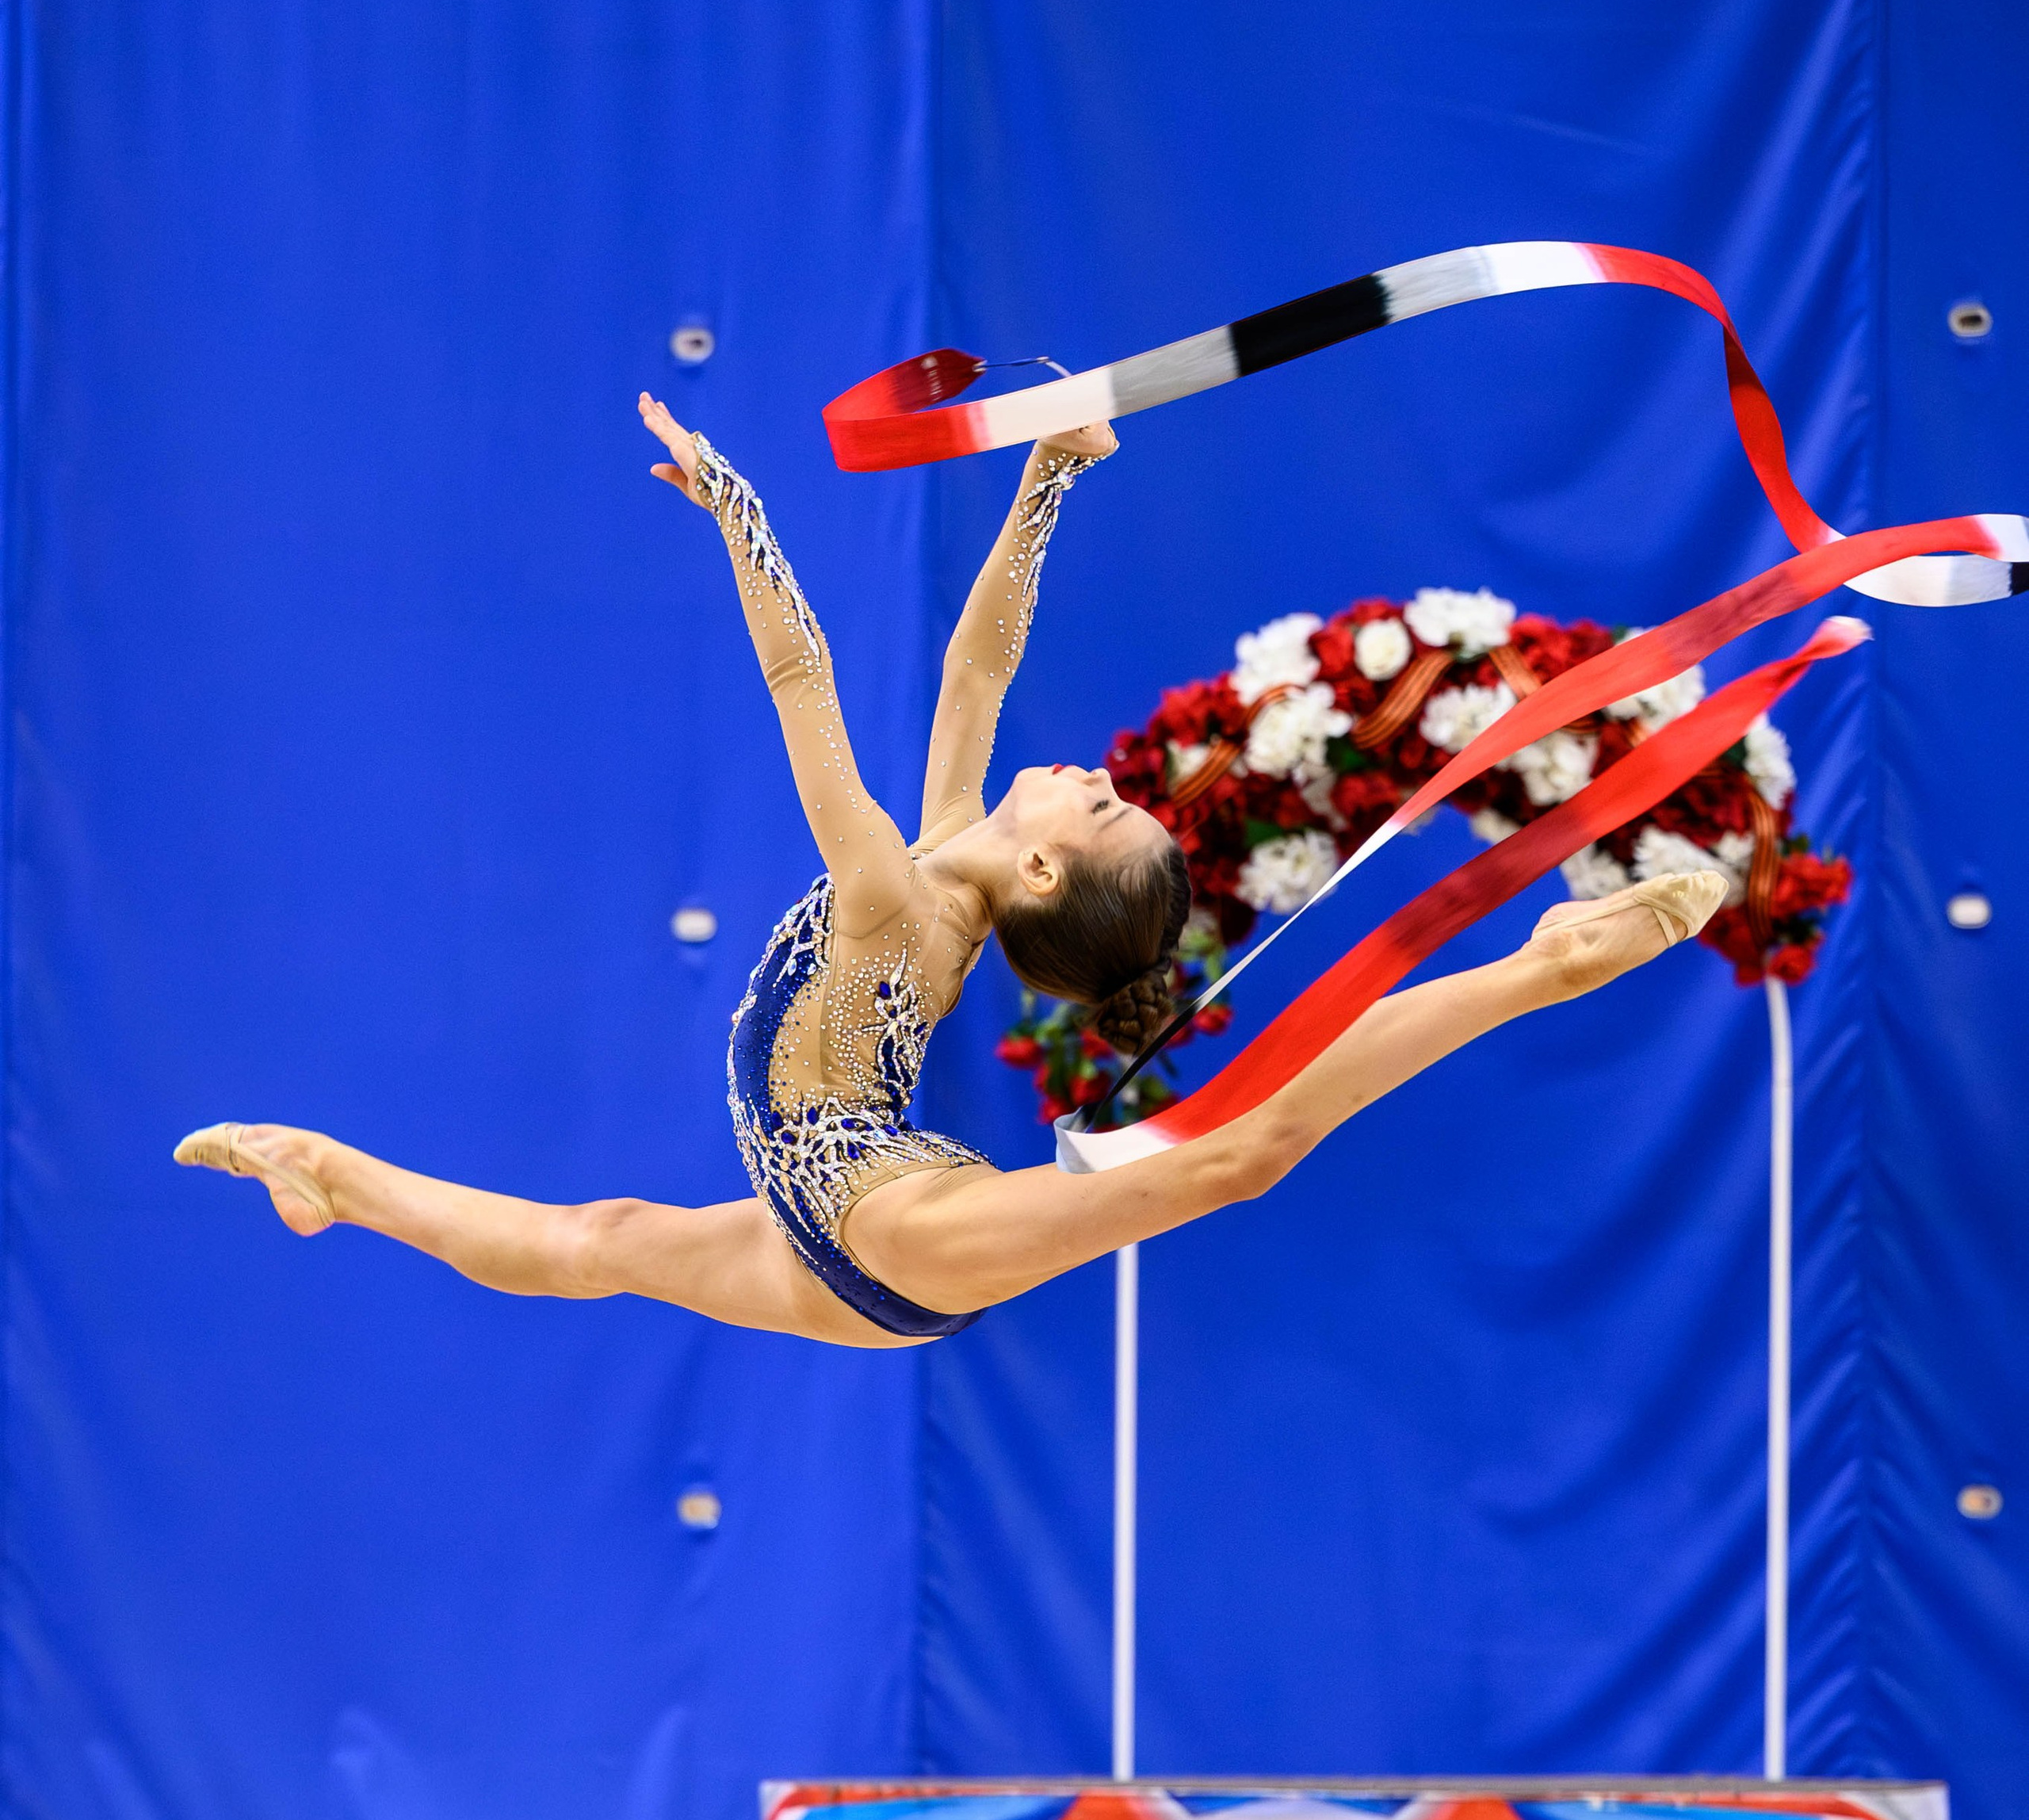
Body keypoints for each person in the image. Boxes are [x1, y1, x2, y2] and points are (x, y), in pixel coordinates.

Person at [175, 400, 1726, 1350]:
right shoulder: (956, 868)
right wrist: (1049, 470)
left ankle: (1543, 963)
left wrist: (739, 515)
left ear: (1044, 859)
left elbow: (802, 684)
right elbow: (980, 655)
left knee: (1221, 1159)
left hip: (881, 1218)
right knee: (592, 1244)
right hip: (823, 1224)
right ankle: (332, 1178)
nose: (1091, 770)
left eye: (1101, 803)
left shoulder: (893, 897)